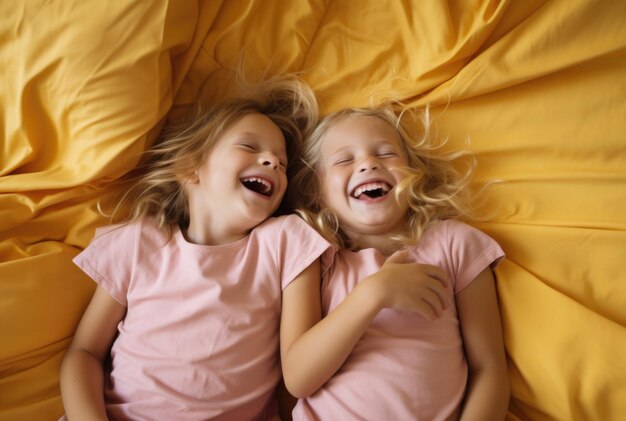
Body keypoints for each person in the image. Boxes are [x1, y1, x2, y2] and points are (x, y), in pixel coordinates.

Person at [59, 75, 333, 420]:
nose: (274, 163)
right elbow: (84, 352)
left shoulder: (286, 242)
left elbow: (298, 368)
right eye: (250, 147)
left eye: (282, 162)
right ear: (190, 168)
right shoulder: (141, 242)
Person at [289, 106, 510, 420]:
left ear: (412, 171)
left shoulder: (455, 244)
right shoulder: (318, 261)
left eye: (386, 153)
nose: (368, 163)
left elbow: (489, 368)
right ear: (317, 191)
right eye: (344, 159)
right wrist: (372, 294)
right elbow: (299, 379)